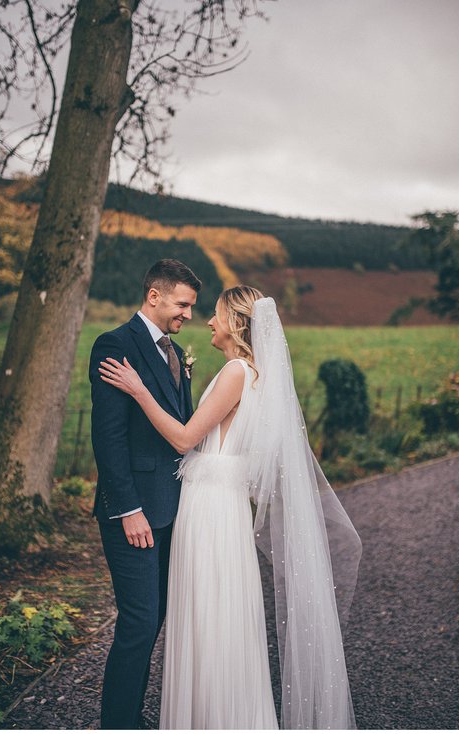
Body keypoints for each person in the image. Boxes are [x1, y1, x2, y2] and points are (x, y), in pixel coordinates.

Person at [99, 286, 361, 729]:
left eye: (216, 315)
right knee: (220, 613)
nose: (207, 321)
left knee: (208, 614)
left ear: (236, 324)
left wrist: (140, 391)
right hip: (224, 507)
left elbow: (184, 439)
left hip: (209, 511)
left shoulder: (237, 372)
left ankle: (209, 718)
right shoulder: (258, 376)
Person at [90, 259, 201, 729]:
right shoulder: (115, 344)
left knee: (154, 619)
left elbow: (180, 425)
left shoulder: (173, 352)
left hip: (172, 509)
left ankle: (131, 716)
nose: (188, 314)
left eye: (192, 306)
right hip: (134, 513)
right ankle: (118, 723)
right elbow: (108, 437)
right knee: (138, 621)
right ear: (154, 296)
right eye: (182, 304)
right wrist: (128, 508)